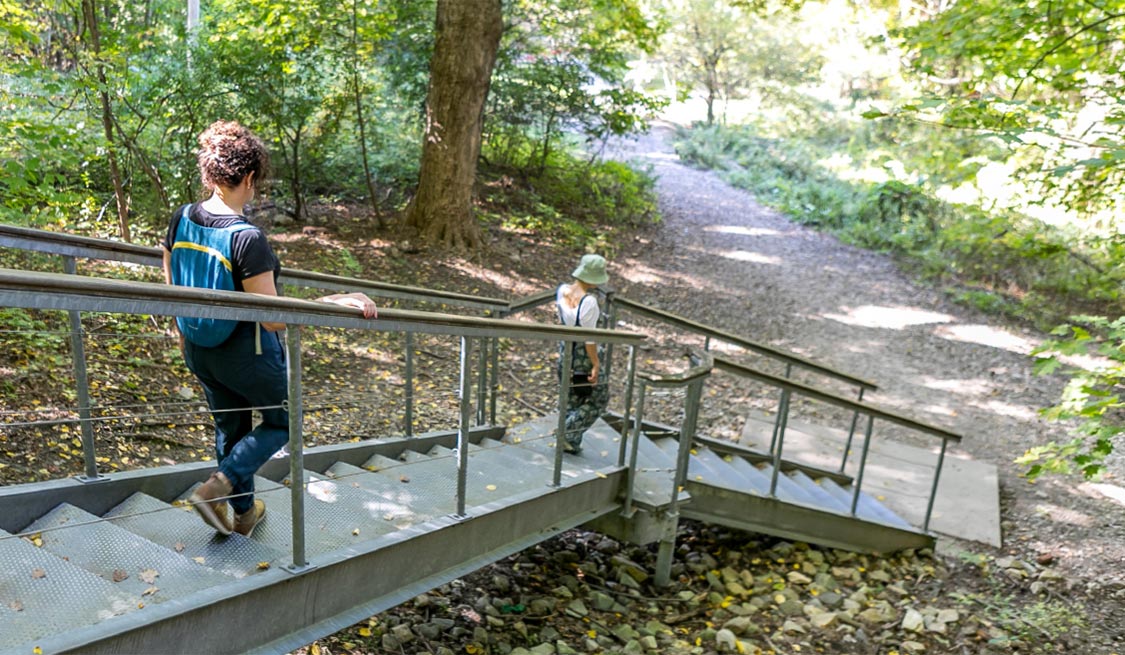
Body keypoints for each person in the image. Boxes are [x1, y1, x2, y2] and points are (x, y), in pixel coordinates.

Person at [162, 120, 378, 537]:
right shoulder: (246, 239)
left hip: (198, 347)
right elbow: (273, 316)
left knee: (232, 426)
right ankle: (217, 488)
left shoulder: (182, 217)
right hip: (249, 356)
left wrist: (185, 323)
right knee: (285, 420)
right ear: (247, 177)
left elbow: (169, 271)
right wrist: (332, 301)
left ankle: (243, 515)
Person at [556, 253, 611, 454]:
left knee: (572, 398)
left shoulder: (562, 291)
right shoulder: (590, 302)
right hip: (581, 359)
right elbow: (588, 338)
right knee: (600, 397)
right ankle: (567, 432)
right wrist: (595, 364)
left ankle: (570, 441)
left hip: (564, 353)